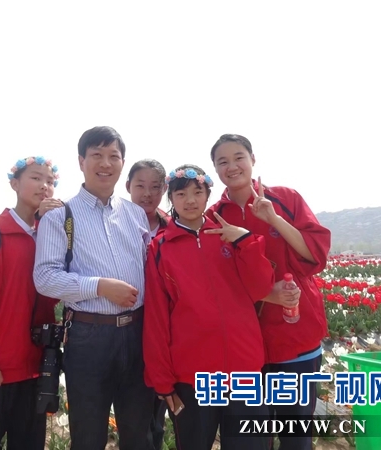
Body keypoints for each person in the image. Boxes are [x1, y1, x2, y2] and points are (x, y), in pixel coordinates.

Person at [206, 134, 331, 450]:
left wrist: (274, 219)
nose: (232, 166)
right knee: (251, 437)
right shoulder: (214, 216)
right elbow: (215, 281)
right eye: (222, 161)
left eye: (238, 157)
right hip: (245, 346)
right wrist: (265, 294)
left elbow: (315, 255)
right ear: (215, 169)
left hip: (295, 335)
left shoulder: (285, 199)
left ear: (252, 159)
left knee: (296, 436)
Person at [34, 126, 154, 450]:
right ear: (81, 161)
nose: (105, 163)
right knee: (88, 436)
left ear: (122, 162)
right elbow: (45, 278)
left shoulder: (135, 214)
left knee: (139, 434)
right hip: (89, 337)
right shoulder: (60, 216)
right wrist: (100, 286)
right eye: (97, 155)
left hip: (138, 333)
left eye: (113, 156)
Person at [143, 164, 274, 450]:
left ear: (207, 195)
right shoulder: (160, 248)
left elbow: (261, 288)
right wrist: (162, 380)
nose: (190, 200)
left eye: (197, 192)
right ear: (171, 198)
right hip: (193, 377)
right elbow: (156, 317)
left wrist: (246, 242)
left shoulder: (230, 236)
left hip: (244, 370)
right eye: (181, 194)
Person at [0, 156, 62, 450]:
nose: (44, 186)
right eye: (36, 178)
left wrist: (55, 226)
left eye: (50, 181)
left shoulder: (53, 234)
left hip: (37, 367)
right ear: (14, 184)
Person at [125, 159, 169, 449]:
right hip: (128, 325)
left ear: (164, 189)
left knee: (158, 410)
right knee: (133, 410)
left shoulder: (173, 226)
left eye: (155, 187)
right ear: (128, 186)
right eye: (140, 186)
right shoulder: (115, 222)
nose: (147, 194)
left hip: (164, 327)